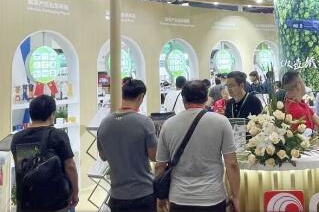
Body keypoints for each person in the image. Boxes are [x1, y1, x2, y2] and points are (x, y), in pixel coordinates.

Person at [155, 80, 240, 212]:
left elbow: (159, 165)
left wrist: (160, 196)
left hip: (179, 198)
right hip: (213, 197)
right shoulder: (221, 122)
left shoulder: (168, 124)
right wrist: (236, 196)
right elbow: (232, 164)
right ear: (206, 98)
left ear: (183, 99)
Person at [97, 78, 157, 212]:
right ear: (141, 97)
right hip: (143, 193)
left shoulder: (104, 123)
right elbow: (154, 156)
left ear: (123, 95)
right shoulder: (144, 123)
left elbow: (103, 156)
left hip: (116, 196)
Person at [11, 95, 79, 212]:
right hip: (54, 201)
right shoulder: (57, 135)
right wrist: (75, 192)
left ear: (31, 114)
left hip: (27, 201)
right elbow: (70, 166)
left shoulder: (17, 138)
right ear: (52, 115)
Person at [282, 70, 319, 138]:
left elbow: (318, 120)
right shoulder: (295, 109)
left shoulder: (298, 102)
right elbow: (306, 139)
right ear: (298, 85)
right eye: (303, 82)